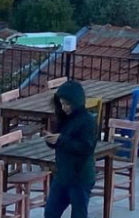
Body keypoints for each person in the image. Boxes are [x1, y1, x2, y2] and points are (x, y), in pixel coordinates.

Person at [43, 80, 98, 218]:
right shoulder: (64, 119)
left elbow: (86, 147)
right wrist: (52, 140)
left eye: (67, 104)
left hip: (80, 177)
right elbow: (60, 141)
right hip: (63, 175)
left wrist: (61, 140)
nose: (64, 108)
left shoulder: (87, 121)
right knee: (50, 213)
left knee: (78, 214)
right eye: (61, 104)